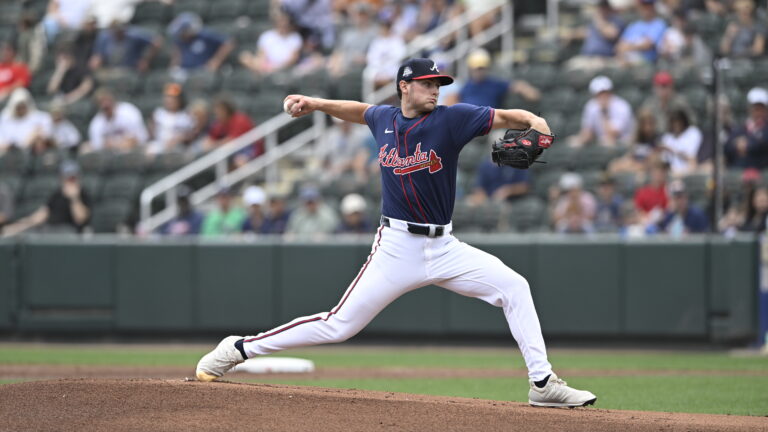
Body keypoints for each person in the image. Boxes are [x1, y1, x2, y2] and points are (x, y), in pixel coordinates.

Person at [195, 57, 597, 408]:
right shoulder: (384, 119)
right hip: (397, 246)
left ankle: (542, 383)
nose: (435, 90)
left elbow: (509, 117)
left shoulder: (452, 119)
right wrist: (316, 103)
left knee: (515, 287)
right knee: (339, 325)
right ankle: (239, 347)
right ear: (404, 86)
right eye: (427, 83)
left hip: (445, 246)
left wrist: (534, 120)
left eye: (439, 84)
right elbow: (357, 110)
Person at [1, 160, 91, 236]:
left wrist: (74, 198)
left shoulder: (83, 194)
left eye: (73, 178)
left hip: (68, 232)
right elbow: (40, 216)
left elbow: (81, 219)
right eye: (67, 178)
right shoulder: (57, 194)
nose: (70, 181)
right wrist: (17, 227)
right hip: (49, 230)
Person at [447, 48, 539, 108]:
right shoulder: (465, 85)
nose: (479, 71)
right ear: (471, 69)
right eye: (477, 68)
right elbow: (452, 101)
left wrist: (528, 91)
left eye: (482, 68)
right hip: (470, 124)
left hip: (490, 124)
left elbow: (517, 86)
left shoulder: (494, 84)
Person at [570, 75, 633, 147]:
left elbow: (614, 134)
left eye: (605, 92)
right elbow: (588, 131)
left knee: (607, 143)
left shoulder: (622, 106)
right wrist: (580, 139)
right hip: (601, 143)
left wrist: (604, 112)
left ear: (610, 92)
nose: (602, 96)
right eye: (599, 94)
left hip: (622, 143)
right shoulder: (591, 106)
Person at [166, 12, 234, 78]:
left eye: (183, 32)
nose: (181, 35)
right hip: (184, 72)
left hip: (202, 72)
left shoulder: (205, 35)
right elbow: (176, 56)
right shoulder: (180, 40)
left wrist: (215, 61)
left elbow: (228, 43)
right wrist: (174, 67)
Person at [564, 0, 625, 71]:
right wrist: (570, 35)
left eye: (604, 7)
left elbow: (611, 34)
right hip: (586, 58)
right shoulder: (593, 23)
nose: (601, 10)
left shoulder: (615, 20)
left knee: (592, 68)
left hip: (603, 59)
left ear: (608, 8)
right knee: (569, 67)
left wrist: (599, 20)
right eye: (600, 7)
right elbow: (584, 32)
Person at [239, 12, 302, 77]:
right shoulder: (267, 35)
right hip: (266, 64)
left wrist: (277, 68)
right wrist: (261, 64)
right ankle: (262, 72)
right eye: (281, 22)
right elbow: (261, 54)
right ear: (276, 23)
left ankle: (262, 73)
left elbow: (293, 58)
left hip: (283, 67)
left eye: (285, 22)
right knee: (245, 56)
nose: (283, 24)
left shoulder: (295, 37)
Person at [86, 87, 148, 152]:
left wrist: (115, 144)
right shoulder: (97, 123)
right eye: (101, 102)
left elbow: (139, 138)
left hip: (135, 151)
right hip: (109, 156)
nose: (105, 104)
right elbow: (97, 146)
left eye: (106, 100)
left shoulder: (129, 111)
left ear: (112, 99)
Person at [89, 20, 161, 75]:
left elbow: (156, 41)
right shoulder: (105, 37)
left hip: (131, 71)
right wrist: (96, 61)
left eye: (120, 31)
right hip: (111, 70)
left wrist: (145, 60)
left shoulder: (134, 35)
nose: (118, 34)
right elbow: (97, 56)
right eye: (115, 32)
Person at [724, 87, 768, 170]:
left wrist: (746, 144)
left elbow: (762, 145)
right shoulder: (740, 128)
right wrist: (736, 145)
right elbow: (727, 147)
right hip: (738, 173)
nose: (758, 112)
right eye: (755, 108)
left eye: (761, 108)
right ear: (749, 108)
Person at [640, 71, 695, 135]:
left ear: (671, 87)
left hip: (677, 137)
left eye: (665, 86)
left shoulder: (680, 102)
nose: (663, 90)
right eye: (659, 86)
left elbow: (692, 122)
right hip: (655, 138)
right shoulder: (649, 103)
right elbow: (642, 126)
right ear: (655, 88)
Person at [614, 0, 667, 66]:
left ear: (653, 6)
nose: (645, 9)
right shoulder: (633, 25)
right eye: (643, 6)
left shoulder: (658, 24)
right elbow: (619, 46)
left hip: (647, 62)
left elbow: (648, 45)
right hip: (625, 60)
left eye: (648, 5)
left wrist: (629, 47)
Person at [0, 88, 53, 154]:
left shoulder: (40, 117)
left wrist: (35, 135)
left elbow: (47, 135)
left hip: (31, 153)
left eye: (23, 106)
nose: (21, 109)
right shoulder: (6, 117)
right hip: (10, 154)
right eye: (19, 106)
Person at [148, 83, 195, 154]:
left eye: (173, 98)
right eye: (168, 97)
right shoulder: (158, 113)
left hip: (179, 147)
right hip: (159, 145)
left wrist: (179, 138)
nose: (170, 100)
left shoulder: (186, 115)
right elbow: (151, 134)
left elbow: (192, 134)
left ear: (179, 99)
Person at [659, 108, 702, 177]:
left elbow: (692, 159)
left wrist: (672, 150)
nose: (676, 125)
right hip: (670, 174)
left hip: (688, 172)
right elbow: (663, 161)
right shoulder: (667, 138)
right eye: (673, 122)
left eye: (678, 122)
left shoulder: (692, 132)